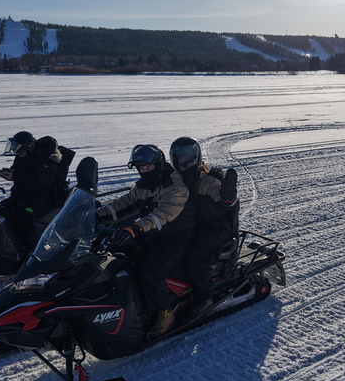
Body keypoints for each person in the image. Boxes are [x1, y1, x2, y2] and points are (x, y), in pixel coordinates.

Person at [96, 144, 194, 338]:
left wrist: (137, 227)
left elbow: (162, 215)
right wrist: (95, 214)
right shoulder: (144, 186)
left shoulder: (175, 187)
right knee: (120, 258)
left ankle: (165, 314)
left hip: (176, 238)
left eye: (148, 167)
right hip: (153, 235)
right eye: (141, 169)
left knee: (151, 272)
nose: (144, 172)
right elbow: (123, 203)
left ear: (158, 164)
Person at [169, 137, 238, 315]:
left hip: (215, 228)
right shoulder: (176, 179)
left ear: (195, 156)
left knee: (195, 253)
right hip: (193, 227)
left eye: (187, 156)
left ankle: (204, 297)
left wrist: (227, 196)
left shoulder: (206, 180)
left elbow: (220, 196)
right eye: (180, 157)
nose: (184, 161)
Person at [0, 131, 63, 252]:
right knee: (1, 210)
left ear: (27, 147)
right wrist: (8, 173)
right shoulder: (22, 156)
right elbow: (17, 170)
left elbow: (41, 182)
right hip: (22, 195)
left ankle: (37, 249)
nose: (15, 150)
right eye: (13, 146)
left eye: (17, 147)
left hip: (39, 199)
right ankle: (13, 244)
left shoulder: (48, 159)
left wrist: (16, 176)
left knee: (23, 215)